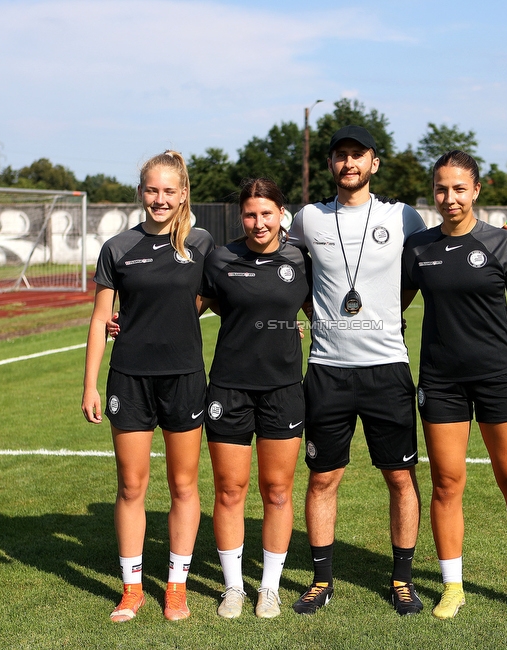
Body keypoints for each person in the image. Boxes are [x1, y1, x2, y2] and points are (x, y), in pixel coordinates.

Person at [286, 126, 507, 617]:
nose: (349, 163)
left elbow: (452, 241)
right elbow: (276, 259)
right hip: (327, 368)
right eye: (340, 156)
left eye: (359, 156)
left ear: (375, 163)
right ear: (331, 165)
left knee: (400, 478)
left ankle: (402, 579)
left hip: (388, 367)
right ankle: (320, 580)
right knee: (322, 479)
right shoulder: (308, 219)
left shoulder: (405, 218)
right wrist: (305, 315)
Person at [401, 150, 507, 625]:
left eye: (459, 189)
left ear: (477, 191)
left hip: (499, 377)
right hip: (442, 383)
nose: (450, 198)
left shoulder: (502, 243)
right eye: (442, 189)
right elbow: (395, 306)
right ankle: (452, 586)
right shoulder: (419, 248)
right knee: (447, 484)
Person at [81, 150, 214, 623]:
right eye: (152, 190)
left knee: (183, 485)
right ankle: (132, 588)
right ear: (141, 192)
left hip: (183, 378)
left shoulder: (200, 244)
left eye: (168, 191)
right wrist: (91, 385)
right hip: (129, 379)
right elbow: (100, 319)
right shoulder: (117, 248)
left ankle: (175, 587)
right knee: (131, 486)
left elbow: (221, 295)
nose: (160, 199)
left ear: (183, 195)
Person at [200, 178, 311, 619]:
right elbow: (188, 305)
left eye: (267, 213)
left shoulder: (301, 258)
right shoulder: (222, 258)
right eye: (250, 214)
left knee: (278, 492)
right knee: (230, 490)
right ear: (240, 216)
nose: (259, 222)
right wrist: (129, 323)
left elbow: (320, 306)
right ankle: (232, 588)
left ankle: (269, 588)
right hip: (229, 386)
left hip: (284, 389)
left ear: (281, 214)